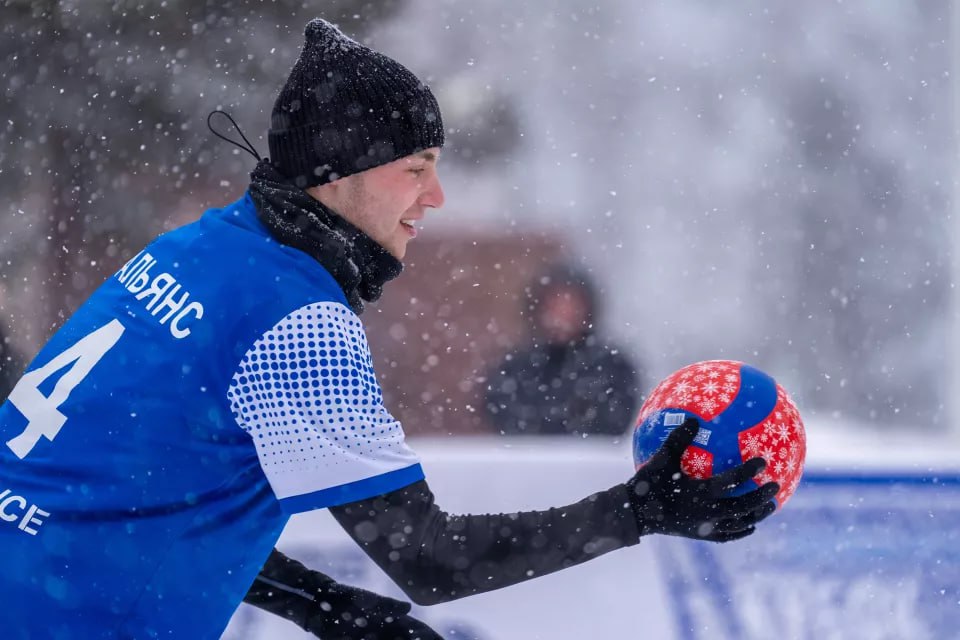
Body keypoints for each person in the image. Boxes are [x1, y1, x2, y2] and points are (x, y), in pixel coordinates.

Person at [0, 19, 779, 639]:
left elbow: (132, 495)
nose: (435, 195)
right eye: (416, 166)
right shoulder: (297, 321)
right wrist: (640, 509)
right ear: (338, 173)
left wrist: (322, 604)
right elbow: (431, 560)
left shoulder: (197, 251)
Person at [484, 262, 643, 436]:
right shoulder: (514, 368)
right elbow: (505, 418)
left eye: (571, 305)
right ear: (538, 309)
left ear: (588, 309)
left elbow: (613, 422)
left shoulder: (613, 366)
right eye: (554, 305)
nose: (562, 314)